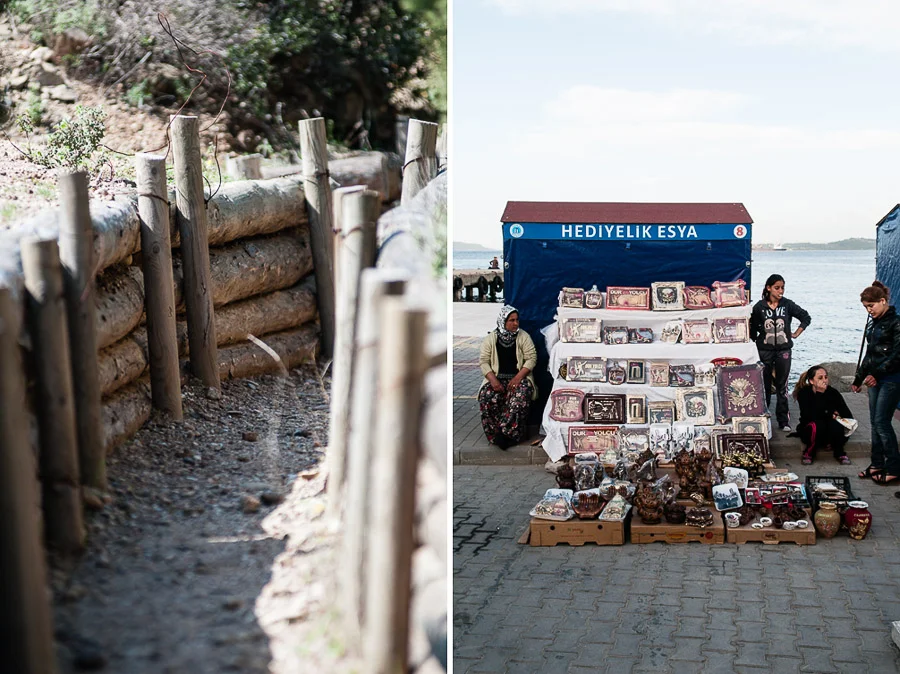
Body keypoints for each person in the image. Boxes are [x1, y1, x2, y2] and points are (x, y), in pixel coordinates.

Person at [749, 274, 811, 432]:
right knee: (764, 385)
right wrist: (755, 341)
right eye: (777, 288)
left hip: (784, 350)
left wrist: (796, 333)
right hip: (764, 351)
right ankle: (764, 417)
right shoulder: (759, 307)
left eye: (782, 287)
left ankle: (783, 421)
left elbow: (805, 317)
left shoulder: (787, 305)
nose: (780, 291)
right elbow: (752, 327)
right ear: (768, 288)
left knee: (782, 386)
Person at [852, 280, 900, 484]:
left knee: (882, 422)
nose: (869, 310)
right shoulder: (875, 324)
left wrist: (876, 374)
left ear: (883, 301)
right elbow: (870, 355)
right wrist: (858, 378)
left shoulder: (896, 323)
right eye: (865, 307)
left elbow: (898, 355)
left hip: (890, 379)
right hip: (875, 378)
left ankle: (894, 467)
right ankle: (877, 463)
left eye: (871, 306)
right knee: (874, 423)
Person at [478, 305, 537, 449]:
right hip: (497, 378)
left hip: (518, 378)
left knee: (521, 395)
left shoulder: (523, 336)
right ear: (503, 321)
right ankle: (495, 434)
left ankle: (509, 435)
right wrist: (493, 380)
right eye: (511, 320)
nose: (515, 323)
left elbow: (531, 358)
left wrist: (518, 378)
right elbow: (484, 361)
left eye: (517, 320)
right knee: (487, 396)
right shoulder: (491, 339)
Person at [792, 365, 853, 466]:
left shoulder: (833, 393)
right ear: (811, 381)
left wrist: (832, 415)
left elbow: (847, 415)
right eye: (820, 378)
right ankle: (809, 453)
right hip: (811, 429)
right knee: (817, 425)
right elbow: (809, 416)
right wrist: (821, 397)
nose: (824, 380)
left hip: (829, 429)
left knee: (836, 424)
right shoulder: (804, 393)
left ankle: (839, 452)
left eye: (826, 377)